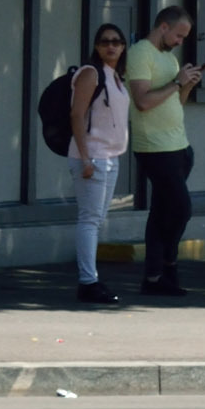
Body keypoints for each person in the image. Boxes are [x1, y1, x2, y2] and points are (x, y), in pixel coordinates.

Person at [125, 7, 205, 296]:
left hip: (179, 145)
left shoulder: (169, 59)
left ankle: (155, 277)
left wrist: (186, 85)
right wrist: (176, 83)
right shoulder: (140, 53)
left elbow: (176, 101)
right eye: (178, 34)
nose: (180, 41)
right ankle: (168, 265)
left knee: (162, 212)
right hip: (155, 148)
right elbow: (143, 101)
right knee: (181, 209)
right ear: (163, 27)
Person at [70, 24, 131, 305]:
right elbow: (77, 114)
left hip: (110, 156)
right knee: (89, 220)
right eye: (105, 42)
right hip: (92, 155)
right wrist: (85, 157)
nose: (111, 46)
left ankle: (91, 279)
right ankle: (88, 282)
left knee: (97, 219)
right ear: (96, 46)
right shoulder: (91, 73)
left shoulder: (116, 77)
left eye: (117, 42)